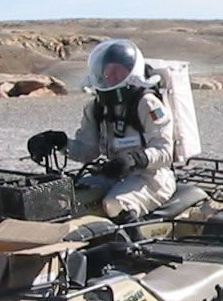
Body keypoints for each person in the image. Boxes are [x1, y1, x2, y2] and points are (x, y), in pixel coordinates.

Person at [26, 38, 176, 221]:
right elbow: (88, 150)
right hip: (113, 173)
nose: (112, 77)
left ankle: (131, 238)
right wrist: (61, 143)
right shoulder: (96, 108)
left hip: (151, 177)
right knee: (70, 199)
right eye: (108, 72)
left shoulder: (148, 105)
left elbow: (165, 152)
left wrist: (134, 159)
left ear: (131, 73)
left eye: (118, 71)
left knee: (115, 204)